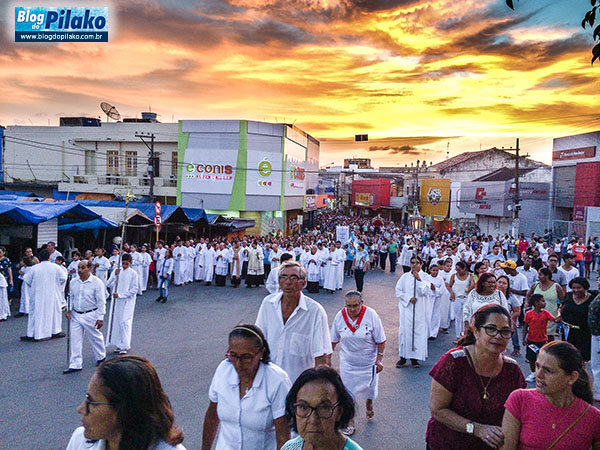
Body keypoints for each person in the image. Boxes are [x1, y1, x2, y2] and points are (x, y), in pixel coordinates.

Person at [426, 304, 526, 450]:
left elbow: (519, 414)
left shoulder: (512, 370)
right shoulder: (454, 362)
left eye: (505, 331)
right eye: (491, 329)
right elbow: (438, 410)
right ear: (476, 331)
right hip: (448, 444)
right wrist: (476, 429)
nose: (498, 336)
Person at [66, 355, 186, 450]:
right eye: (87, 397)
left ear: (125, 410)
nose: (81, 409)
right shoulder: (79, 441)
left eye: (92, 402)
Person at [202, 324, 291, 450]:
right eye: (233, 355)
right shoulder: (223, 370)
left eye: (246, 357)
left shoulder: (277, 381)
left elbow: (283, 437)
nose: (238, 364)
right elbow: (212, 416)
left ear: (261, 353)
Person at [502, 341, 600, 450]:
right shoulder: (519, 400)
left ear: (572, 377)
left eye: (548, 371)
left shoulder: (593, 418)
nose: (538, 375)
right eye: (537, 366)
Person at [256, 260, 332, 383]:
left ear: (303, 283)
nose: (288, 282)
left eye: (293, 277)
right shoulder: (268, 304)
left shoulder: (315, 312)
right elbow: (258, 341)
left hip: (298, 383)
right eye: (283, 277)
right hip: (268, 380)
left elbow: (322, 356)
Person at [331, 291, 386, 435]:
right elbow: (333, 341)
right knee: (347, 392)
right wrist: (327, 361)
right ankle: (350, 420)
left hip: (368, 363)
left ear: (362, 303)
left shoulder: (371, 315)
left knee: (370, 389)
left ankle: (369, 402)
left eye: (355, 305)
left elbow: (381, 340)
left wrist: (379, 359)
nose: (352, 309)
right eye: (349, 306)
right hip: (348, 363)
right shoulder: (340, 316)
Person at [282, 366, 363, 450]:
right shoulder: (289, 447)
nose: (313, 420)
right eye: (303, 407)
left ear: (339, 412)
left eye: (324, 408)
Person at [63, 260, 107, 374]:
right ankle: (75, 363)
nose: (80, 270)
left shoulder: (97, 283)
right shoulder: (73, 282)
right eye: (79, 268)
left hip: (91, 314)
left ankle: (101, 357)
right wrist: (69, 309)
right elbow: (71, 297)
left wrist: (100, 317)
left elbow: (101, 301)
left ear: (90, 268)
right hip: (76, 314)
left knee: (95, 337)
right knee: (75, 339)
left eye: (83, 268)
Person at [21, 248, 68, 341]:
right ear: (49, 257)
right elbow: (63, 278)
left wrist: (34, 287)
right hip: (53, 293)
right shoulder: (56, 267)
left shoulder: (34, 268)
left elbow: (27, 279)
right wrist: (58, 286)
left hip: (38, 294)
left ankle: (32, 333)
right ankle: (55, 331)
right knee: (54, 312)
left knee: (35, 313)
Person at [395, 256, 430, 368]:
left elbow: (425, 291)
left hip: (419, 310)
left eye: (417, 263)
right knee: (405, 332)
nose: (414, 265)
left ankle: (415, 358)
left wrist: (419, 279)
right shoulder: (405, 277)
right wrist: (409, 298)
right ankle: (403, 357)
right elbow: (398, 291)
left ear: (421, 264)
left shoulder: (425, 276)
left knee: (417, 333)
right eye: (412, 263)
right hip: (407, 309)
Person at [522, 293, 560, 383]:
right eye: (542, 301)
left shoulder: (546, 313)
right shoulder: (529, 314)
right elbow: (525, 326)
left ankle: (541, 372)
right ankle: (533, 373)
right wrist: (523, 338)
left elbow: (554, 320)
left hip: (542, 340)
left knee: (542, 357)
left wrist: (560, 315)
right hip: (531, 340)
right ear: (536, 303)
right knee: (531, 358)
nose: (545, 303)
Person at [106, 253, 139, 355]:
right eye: (123, 263)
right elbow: (108, 284)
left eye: (126, 264)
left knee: (125, 322)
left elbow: (134, 289)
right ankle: (119, 344)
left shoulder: (133, 273)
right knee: (117, 321)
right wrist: (114, 275)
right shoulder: (117, 271)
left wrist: (121, 295)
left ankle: (125, 345)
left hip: (127, 301)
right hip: (116, 301)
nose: (124, 266)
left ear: (130, 263)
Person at [560, 277, 596, 362]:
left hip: (584, 333)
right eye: (573, 288)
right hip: (568, 332)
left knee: (581, 358)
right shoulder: (568, 296)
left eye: (579, 288)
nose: (576, 290)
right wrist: (559, 315)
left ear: (585, 288)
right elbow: (562, 307)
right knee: (568, 356)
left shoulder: (592, 299)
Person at [448, 261, 475, 341]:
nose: (458, 271)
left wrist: (470, 286)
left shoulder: (470, 275)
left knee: (466, 317)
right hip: (457, 298)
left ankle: (465, 334)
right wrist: (451, 293)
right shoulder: (454, 276)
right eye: (456, 270)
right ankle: (458, 336)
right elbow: (449, 286)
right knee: (458, 317)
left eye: (459, 270)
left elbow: (473, 286)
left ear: (464, 269)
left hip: (466, 298)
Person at [496, 275, 521, 357]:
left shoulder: (511, 297)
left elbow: (517, 311)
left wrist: (510, 318)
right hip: (495, 319)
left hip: (507, 319)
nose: (501, 285)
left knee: (513, 328)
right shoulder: (491, 295)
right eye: (499, 282)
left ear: (507, 286)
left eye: (504, 283)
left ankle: (516, 348)